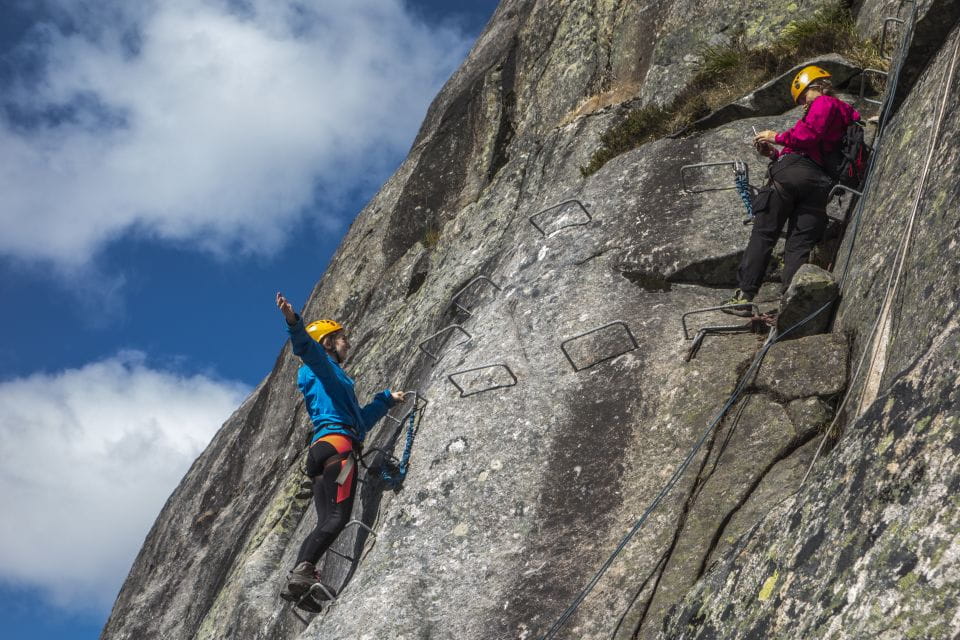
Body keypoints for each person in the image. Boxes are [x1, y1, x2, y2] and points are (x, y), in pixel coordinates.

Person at [276, 292, 406, 609]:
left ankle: (299, 581)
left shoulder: (329, 379)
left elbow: (359, 421)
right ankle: (303, 572)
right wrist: (293, 322)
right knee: (337, 517)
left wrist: (386, 400)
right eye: (342, 337)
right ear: (327, 343)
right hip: (339, 449)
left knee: (324, 521)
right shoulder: (322, 367)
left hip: (323, 450)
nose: (347, 342)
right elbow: (306, 348)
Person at [723, 65, 861, 315]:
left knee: (764, 233)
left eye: (804, 96)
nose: (803, 104)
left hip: (792, 175)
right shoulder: (842, 116)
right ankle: (791, 303)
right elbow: (812, 147)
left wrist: (775, 136)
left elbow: (808, 136)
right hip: (819, 186)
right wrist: (773, 154)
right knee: (798, 245)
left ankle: (744, 297)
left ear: (819, 87)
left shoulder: (823, 103)